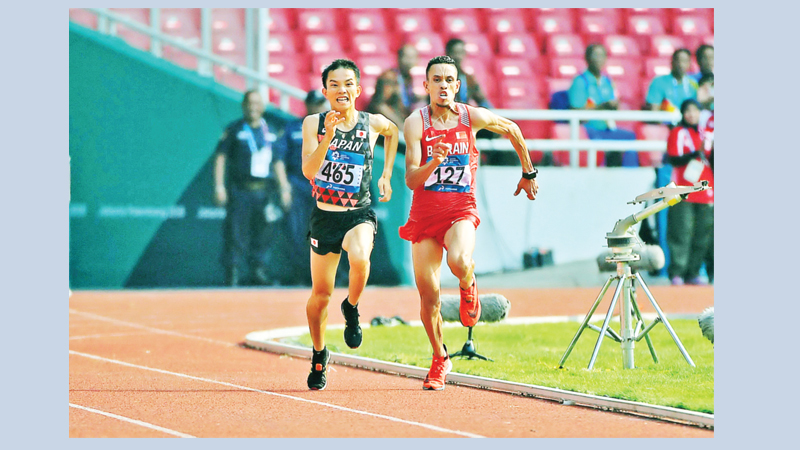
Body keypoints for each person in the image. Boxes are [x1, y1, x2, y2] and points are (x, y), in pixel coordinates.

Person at [399, 55, 538, 391]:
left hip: (460, 207)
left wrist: (528, 171)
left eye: (449, 80)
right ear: (426, 86)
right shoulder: (415, 124)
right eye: (437, 79)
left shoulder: (469, 116)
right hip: (425, 214)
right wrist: (434, 160)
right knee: (428, 294)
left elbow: (513, 129)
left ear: (457, 86)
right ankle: (439, 357)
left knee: (459, 260)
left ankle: (468, 283)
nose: (443, 85)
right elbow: (411, 180)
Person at [302, 59, 399, 390]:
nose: (341, 90)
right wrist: (327, 137)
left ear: (357, 90)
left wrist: (386, 175)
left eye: (348, 84)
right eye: (334, 84)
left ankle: (352, 306)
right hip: (324, 216)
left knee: (360, 258)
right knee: (320, 295)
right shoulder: (313, 123)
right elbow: (310, 171)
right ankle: (319, 354)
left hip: (358, 213)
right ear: (326, 90)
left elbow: (394, 131)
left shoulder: (371, 123)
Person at [214, 90, 292, 286]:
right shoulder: (234, 129)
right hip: (241, 189)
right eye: (249, 103)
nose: (253, 107)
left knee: (264, 232)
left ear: (263, 106)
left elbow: (277, 161)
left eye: (257, 103)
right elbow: (221, 157)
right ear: (243, 106)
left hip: (264, 191)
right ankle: (232, 273)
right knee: (235, 232)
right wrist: (219, 186)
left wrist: (284, 188)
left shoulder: (271, 131)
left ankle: (259, 271)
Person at [272, 90, 329, 286]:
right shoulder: (293, 128)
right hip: (298, 186)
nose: (319, 107)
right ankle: (299, 274)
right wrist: (284, 188)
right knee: (297, 232)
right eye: (316, 103)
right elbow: (278, 159)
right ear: (308, 106)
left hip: (323, 188)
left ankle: (325, 276)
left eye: (322, 103)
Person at [664, 99, 714, 286]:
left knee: (702, 235)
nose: (691, 114)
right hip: (683, 191)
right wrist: (695, 153)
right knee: (681, 233)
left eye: (695, 110)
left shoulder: (706, 133)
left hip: (706, 191)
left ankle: (693, 272)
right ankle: (677, 271)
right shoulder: (678, 132)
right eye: (688, 111)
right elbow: (675, 159)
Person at [567, 43, 637, 167]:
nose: (599, 59)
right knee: (599, 144)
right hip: (588, 130)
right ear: (587, 58)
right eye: (595, 55)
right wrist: (602, 106)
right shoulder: (580, 81)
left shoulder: (607, 81)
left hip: (607, 128)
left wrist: (614, 106)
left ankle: (629, 175)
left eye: (602, 55)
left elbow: (611, 104)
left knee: (630, 137)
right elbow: (575, 111)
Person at [644, 48, 698, 114]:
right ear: (671, 62)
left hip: (687, 122)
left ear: (689, 64)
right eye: (678, 61)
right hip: (665, 122)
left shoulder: (693, 83)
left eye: (684, 61)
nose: (681, 64)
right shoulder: (658, 82)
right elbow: (654, 110)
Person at [445, 38, 493, 109]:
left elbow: (482, 101)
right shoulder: (439, 78)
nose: (458, 57)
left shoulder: (468, 79)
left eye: (461, 53)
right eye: (455, 53)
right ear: (447, 54)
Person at [377, 44, 424, 115]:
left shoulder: (408, 77)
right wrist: (400, 124)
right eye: (406, 57)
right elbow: (380, 106)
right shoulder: (390, 76)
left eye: (412, 58)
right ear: (398, 58)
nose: (409, 61)